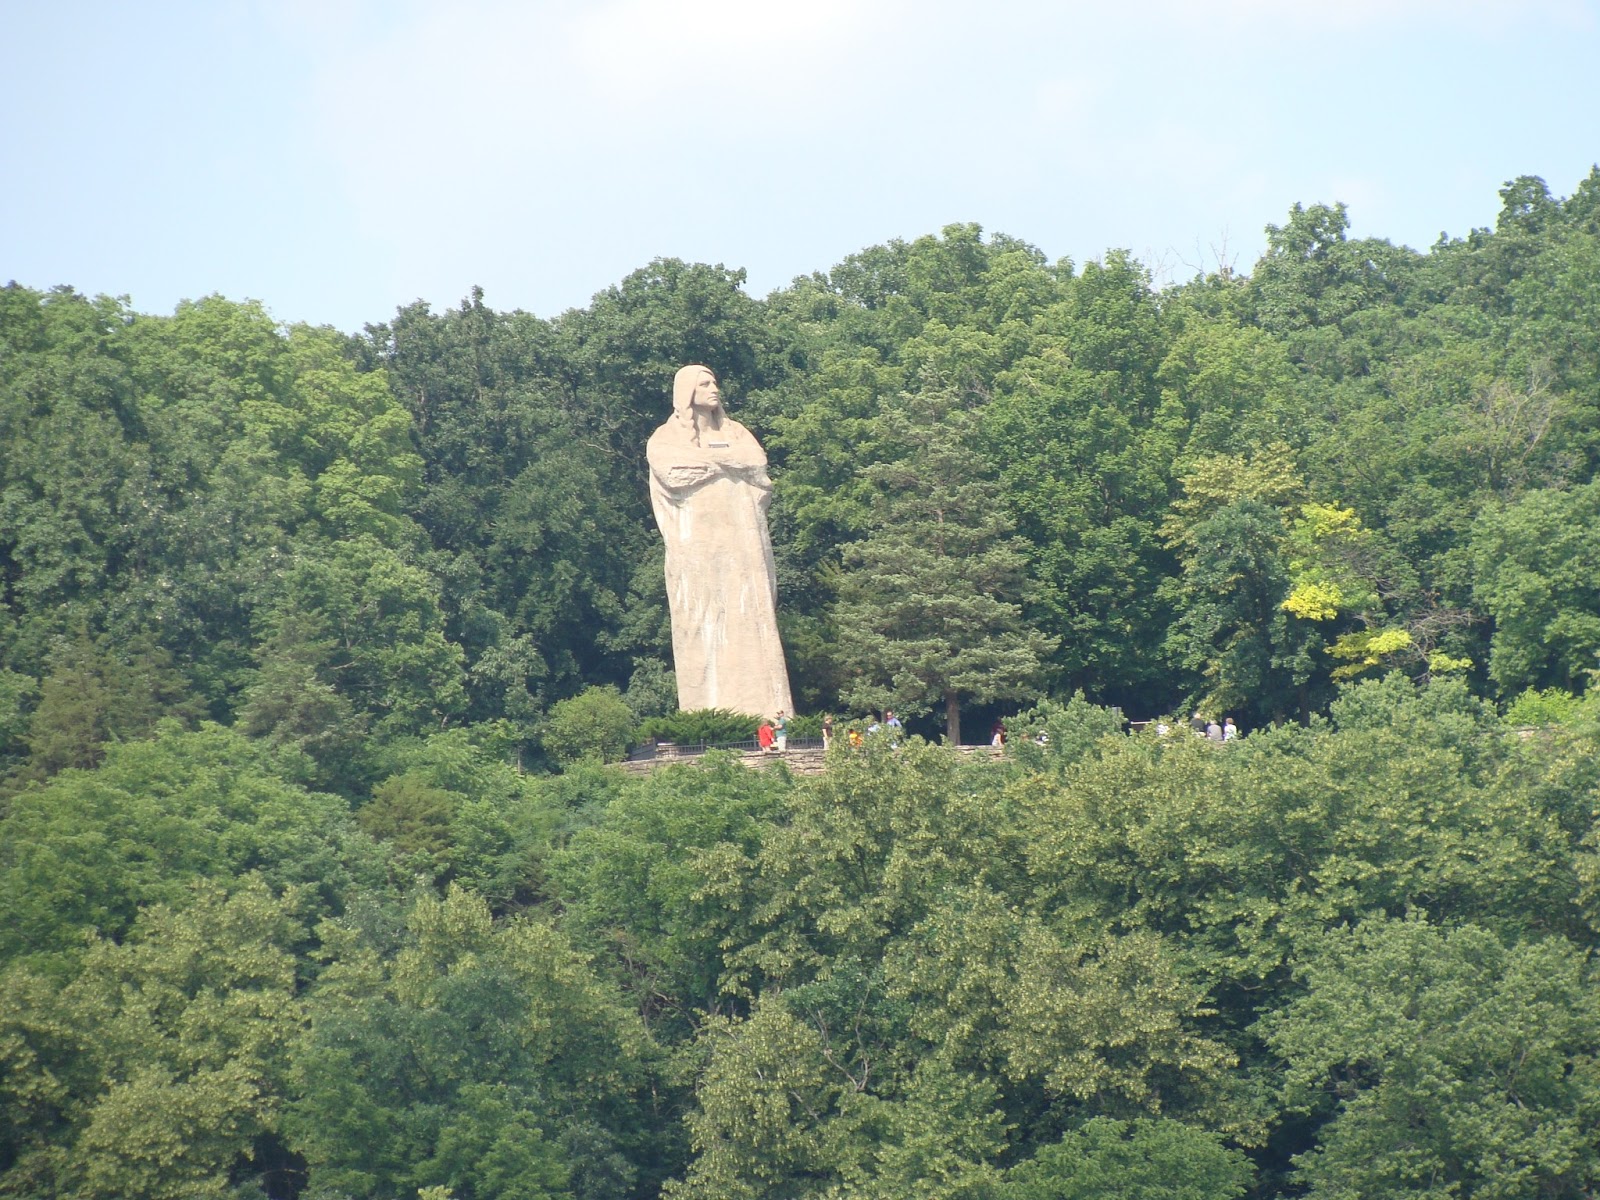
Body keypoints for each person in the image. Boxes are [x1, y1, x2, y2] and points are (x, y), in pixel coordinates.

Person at [647, 365, 794, 717]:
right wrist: (728, 463)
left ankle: (768, 714)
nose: (714, 388)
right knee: (704, 623)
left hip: (745, 548)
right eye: (705, 383)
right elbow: (674, 472)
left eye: (715, 381)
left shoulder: (737, 432)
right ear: (686, 392)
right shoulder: (667, 438)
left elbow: (756, 462)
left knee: (752, 617)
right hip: (698, 549)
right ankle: (712, 713)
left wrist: (713, 461)